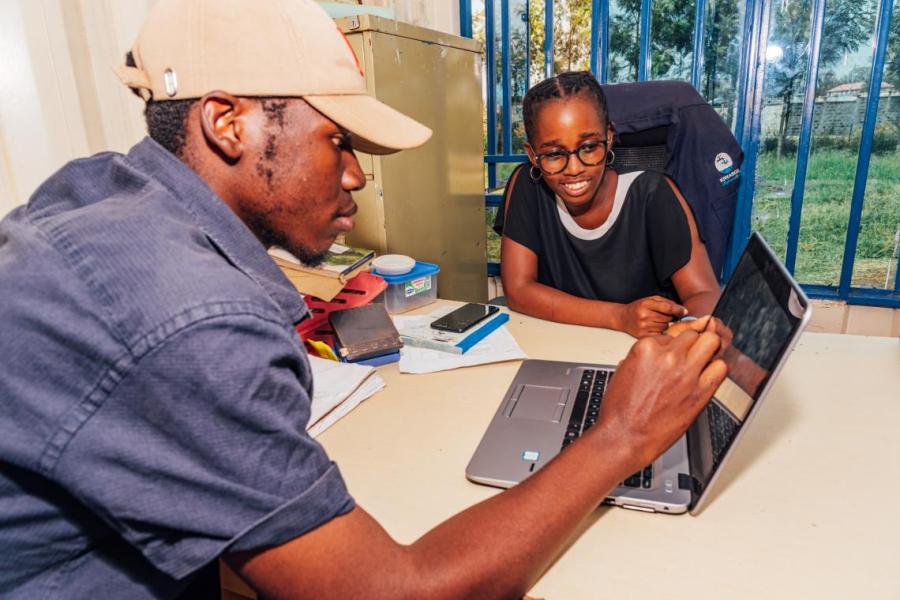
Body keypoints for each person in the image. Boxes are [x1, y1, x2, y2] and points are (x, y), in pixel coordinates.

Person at [0, 1, 728, 598]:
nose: (355, 176)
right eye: (337, 141)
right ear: (228, 124)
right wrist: (623, 434)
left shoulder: (100, 192)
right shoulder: (191, 318)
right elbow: (390, 594)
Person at [497, 72, 722, 338]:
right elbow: (518, 290)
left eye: (590, 147)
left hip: (639, 349)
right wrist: (618, 316)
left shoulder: (651, 193)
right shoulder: (526, 185)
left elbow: (704, 292)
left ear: (610, 137)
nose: (574, 168)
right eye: (555, 154)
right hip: (556, 342)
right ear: (533, 155)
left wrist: (686, 331)